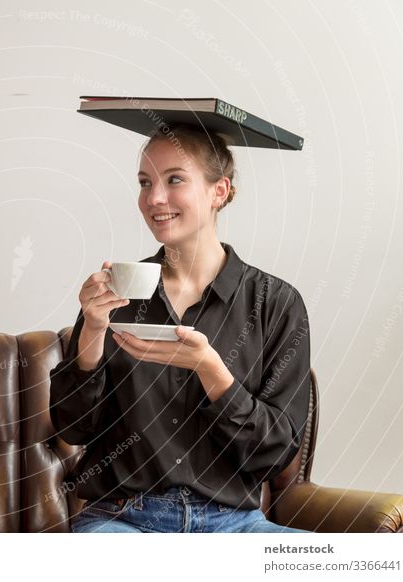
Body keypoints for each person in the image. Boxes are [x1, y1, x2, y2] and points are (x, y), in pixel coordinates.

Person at [49, 123, 311, 533]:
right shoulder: (115, 295)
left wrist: (211, 370)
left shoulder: (276, 304)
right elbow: (73, 429)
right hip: (123, 521)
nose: (154, 199)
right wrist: (92, 333)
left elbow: (273, 455)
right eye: (144, 182)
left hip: (235, 526)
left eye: (175, 180)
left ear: (218, 192)